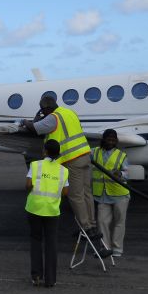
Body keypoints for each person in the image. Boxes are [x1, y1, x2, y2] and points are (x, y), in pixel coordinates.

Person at [21, 96, 99, 238]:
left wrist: (25, 121)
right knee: (87, 194)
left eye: (42, 109)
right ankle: (92, 224)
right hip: (85, 155)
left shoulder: (53, 118)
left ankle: (86, 228)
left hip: (73, 159)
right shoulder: (69, 112)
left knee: (75, 196)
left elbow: (34, 127)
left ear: (46, 108)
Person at [25, 139, 69, 287]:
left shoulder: (35, 165)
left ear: (44, 151)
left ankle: (36, 276)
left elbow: (28, 184)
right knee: (51, 243)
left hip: (34, 208)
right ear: (58, 154)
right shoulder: (63, 170)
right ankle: (51, 280)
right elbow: (65, 191)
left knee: (36, 240)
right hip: (52, 210)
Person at [91, 129, 130, 257]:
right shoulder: (94, 152)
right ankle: (105, 248)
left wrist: (121, 174)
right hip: (102, 194)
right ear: (103, 139)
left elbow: (127, 173)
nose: (111, 142)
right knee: (102, 221)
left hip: (119, 194)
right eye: (109, 139)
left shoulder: (121, 155)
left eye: (113, 140)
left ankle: (117, 250)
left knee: (119, 222)